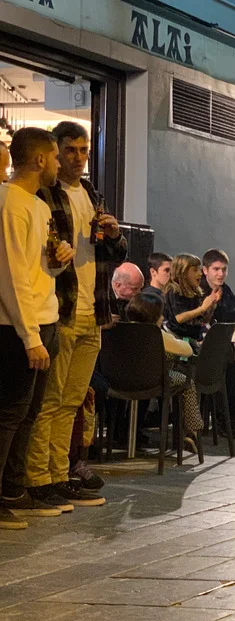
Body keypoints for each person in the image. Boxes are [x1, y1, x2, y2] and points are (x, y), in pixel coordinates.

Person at [25, 121, 126, 509]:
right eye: (70, 150)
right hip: (62, 309)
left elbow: (116, 254)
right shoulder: (45, 195)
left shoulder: (91, 192)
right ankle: (38, 479)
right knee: (50, 401)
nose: (79, 158)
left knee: (73, 400)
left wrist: (114, 234)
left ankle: (61, 473)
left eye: (84, 151)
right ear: (55, 152)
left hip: (94, 310)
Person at [0, 128, 74, 527]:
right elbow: (11, 277)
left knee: (29, 412)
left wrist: (59, 259)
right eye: (56, 157)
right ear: (40, 159)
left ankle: (14, 489)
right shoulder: (10, 203)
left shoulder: (39, 206)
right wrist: (29, 337)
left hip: (45, 320)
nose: (59, 164)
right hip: (16, 328)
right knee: (9, 414)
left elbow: (38, 268)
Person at [126, 292, 203, 452]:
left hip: (120, 380)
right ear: (154, 316)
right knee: (187, 382)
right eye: (161, 314)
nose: (163, 317)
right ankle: (192, 431)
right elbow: (187, 350)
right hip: (155, 379)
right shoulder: (157, 334)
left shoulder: (122, 329)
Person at [199, 248, 235, 440]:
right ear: (205, 270)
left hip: (224, 346)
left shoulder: (228, 292)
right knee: (229, 367)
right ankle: (226, 419)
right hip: (203, 349)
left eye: (224, 269)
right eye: (216, 269)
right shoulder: (198, 291)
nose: (220, 274)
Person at [163, 253, 218, 341]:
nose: (200, 273)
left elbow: (204, 320)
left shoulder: (195, 293)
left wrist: (211, 306)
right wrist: (202, 308)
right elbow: (179, 318)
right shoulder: (174, 291)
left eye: (199, 269)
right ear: (183, 272)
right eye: (195, 270)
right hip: (178, 339)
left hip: (193, 338)